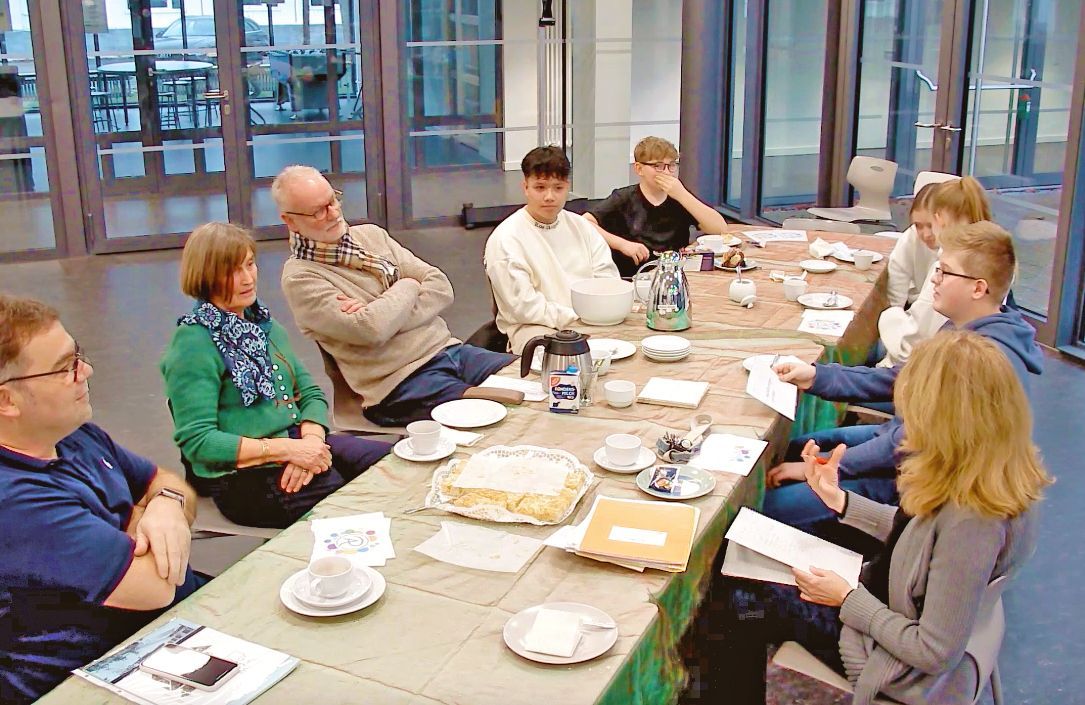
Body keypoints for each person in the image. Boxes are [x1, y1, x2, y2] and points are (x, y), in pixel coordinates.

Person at [708, 330, 1050, 705]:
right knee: (754, 565)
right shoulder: (987, 468)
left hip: (893, 658)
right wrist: (841, 502)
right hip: (892, 603)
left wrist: (847, 599)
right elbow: (921, 545)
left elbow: (932, 651)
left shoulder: (972, 522)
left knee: (739, 590)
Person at [763, 221, 1043, 547]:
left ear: (978, 288)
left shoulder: (976, 361)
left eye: (944, 272)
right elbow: (901, 379)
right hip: (906, 454)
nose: (934, 280)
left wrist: (824, 468)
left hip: (918, 487)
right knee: (799, 448)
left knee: (770, 507)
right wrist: (816, 376)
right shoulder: (965, 329)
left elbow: (906, 443)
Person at [0, 295, 205, 704]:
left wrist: (161, 504)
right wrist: (146, 511)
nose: (86, 371)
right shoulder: (14, 501)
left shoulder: (73, 433)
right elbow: (153, 588)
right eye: (65, 368)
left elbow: (175, 486)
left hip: (171, 629)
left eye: (78, 356)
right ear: (7, 400)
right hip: (101, 673)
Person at [160, 223, 392, 528]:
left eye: (250, 264)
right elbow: (199, 442)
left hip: (295, 440)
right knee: (354, 508)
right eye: (232, 271)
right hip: (240, 476)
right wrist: (291, 451)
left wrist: (311, 443)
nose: (247, 278)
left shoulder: (263, 326)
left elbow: (311, 394)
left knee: (395, 465)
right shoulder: (193, 343)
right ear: (205, 277)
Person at [273, 166, 516, 427]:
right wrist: (407, 285)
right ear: (290, 221)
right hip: (397, 385)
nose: (333, 213)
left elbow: (441, 287)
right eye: (318, 211)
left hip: (449, 350)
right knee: (500, 408)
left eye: (332, 200)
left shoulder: (371, 236)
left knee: (529, 378)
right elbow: (372, 329)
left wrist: (384, 313)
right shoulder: (301, 278)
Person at [485, 146, 620, 354]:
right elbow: (524, 307)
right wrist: (576, 318)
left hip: (591, 320)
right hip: (536, 329)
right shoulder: (506, 239)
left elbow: (607, 280)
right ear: (525, 187)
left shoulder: (581, 227)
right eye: (540, 187)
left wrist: (595, 315)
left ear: (568, 187)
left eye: (558, 188)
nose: (549, 196)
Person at [878, 175, 991, 367]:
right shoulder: (994, 251)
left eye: (931, 222)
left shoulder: (947, 268)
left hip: (934, 367)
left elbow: (910, 349)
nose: (925, 233)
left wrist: (889, 316)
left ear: (940, 219)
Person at [584, 136, 728, 277]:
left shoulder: (680, 197)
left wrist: (682, 194)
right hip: (633, 278)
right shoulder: (623, 198)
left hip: (673, 275)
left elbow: (720, 229)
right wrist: (622, 244)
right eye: (658, 166)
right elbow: (585, 223)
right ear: (639, 169)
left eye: (671, 165)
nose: (666, 172)